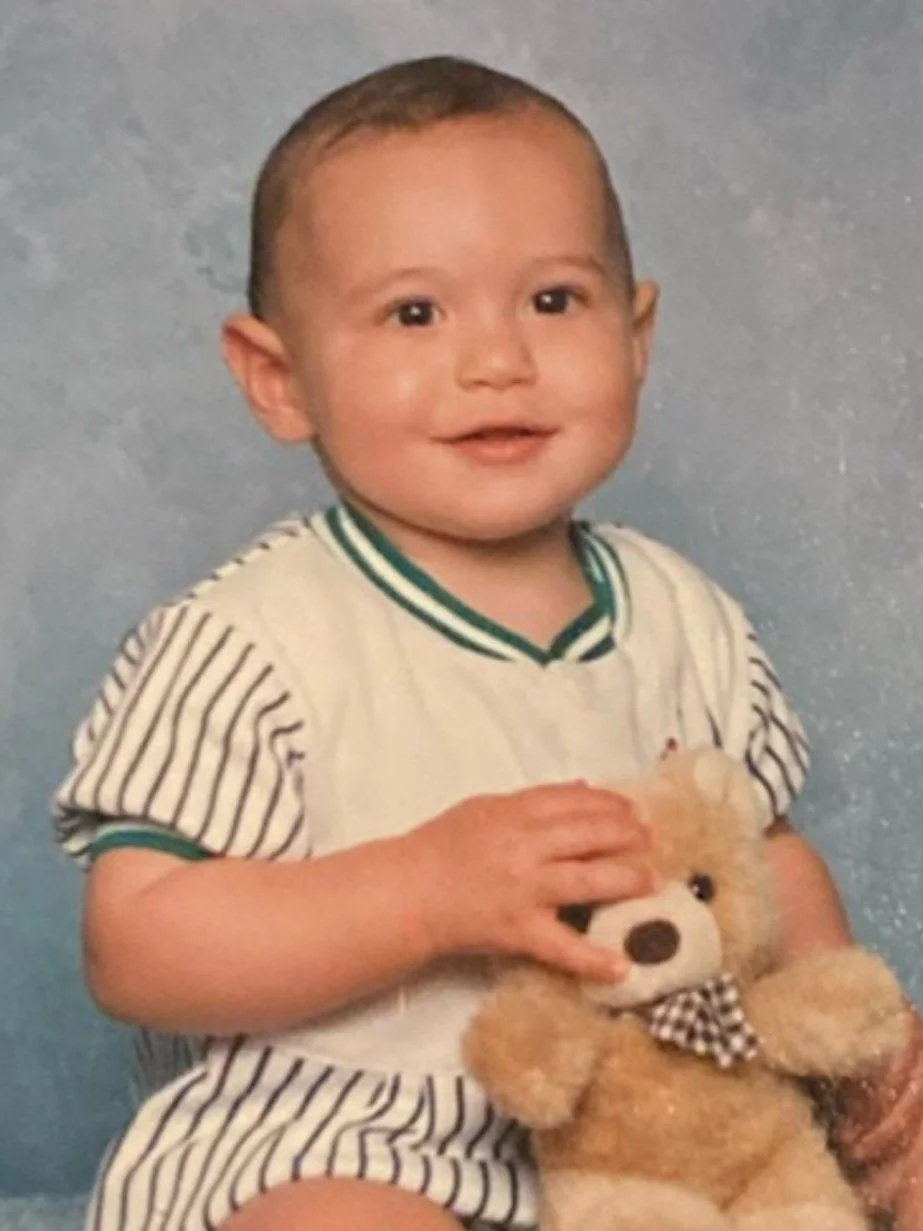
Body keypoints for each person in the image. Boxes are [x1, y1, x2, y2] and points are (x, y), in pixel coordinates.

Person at [54, 55, 921, 1231]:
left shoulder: (684, 617)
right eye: (414, 313)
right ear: (278, 378)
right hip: (330, 1135)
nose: (496, 360)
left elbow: (767, 859)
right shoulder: (248, 641)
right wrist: (422, 892)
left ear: (635, 334)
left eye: (552, 301)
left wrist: (860, 1045)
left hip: (643, 1139)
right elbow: (138, 944)